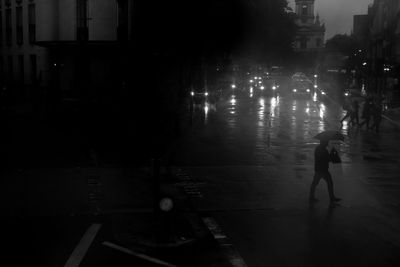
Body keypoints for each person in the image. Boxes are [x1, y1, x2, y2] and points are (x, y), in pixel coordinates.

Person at [309, 139, 342, 203]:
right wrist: (333, 153)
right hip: (323, 170)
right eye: (327, 142)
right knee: (329, 183)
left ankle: (311, 197)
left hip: (319, 169)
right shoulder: (322, 150)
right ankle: (332, 198)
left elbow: (326, 158)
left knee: (315, 183)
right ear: (324, 142)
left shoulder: (319, 148)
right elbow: (327, 159)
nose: (327, 143)